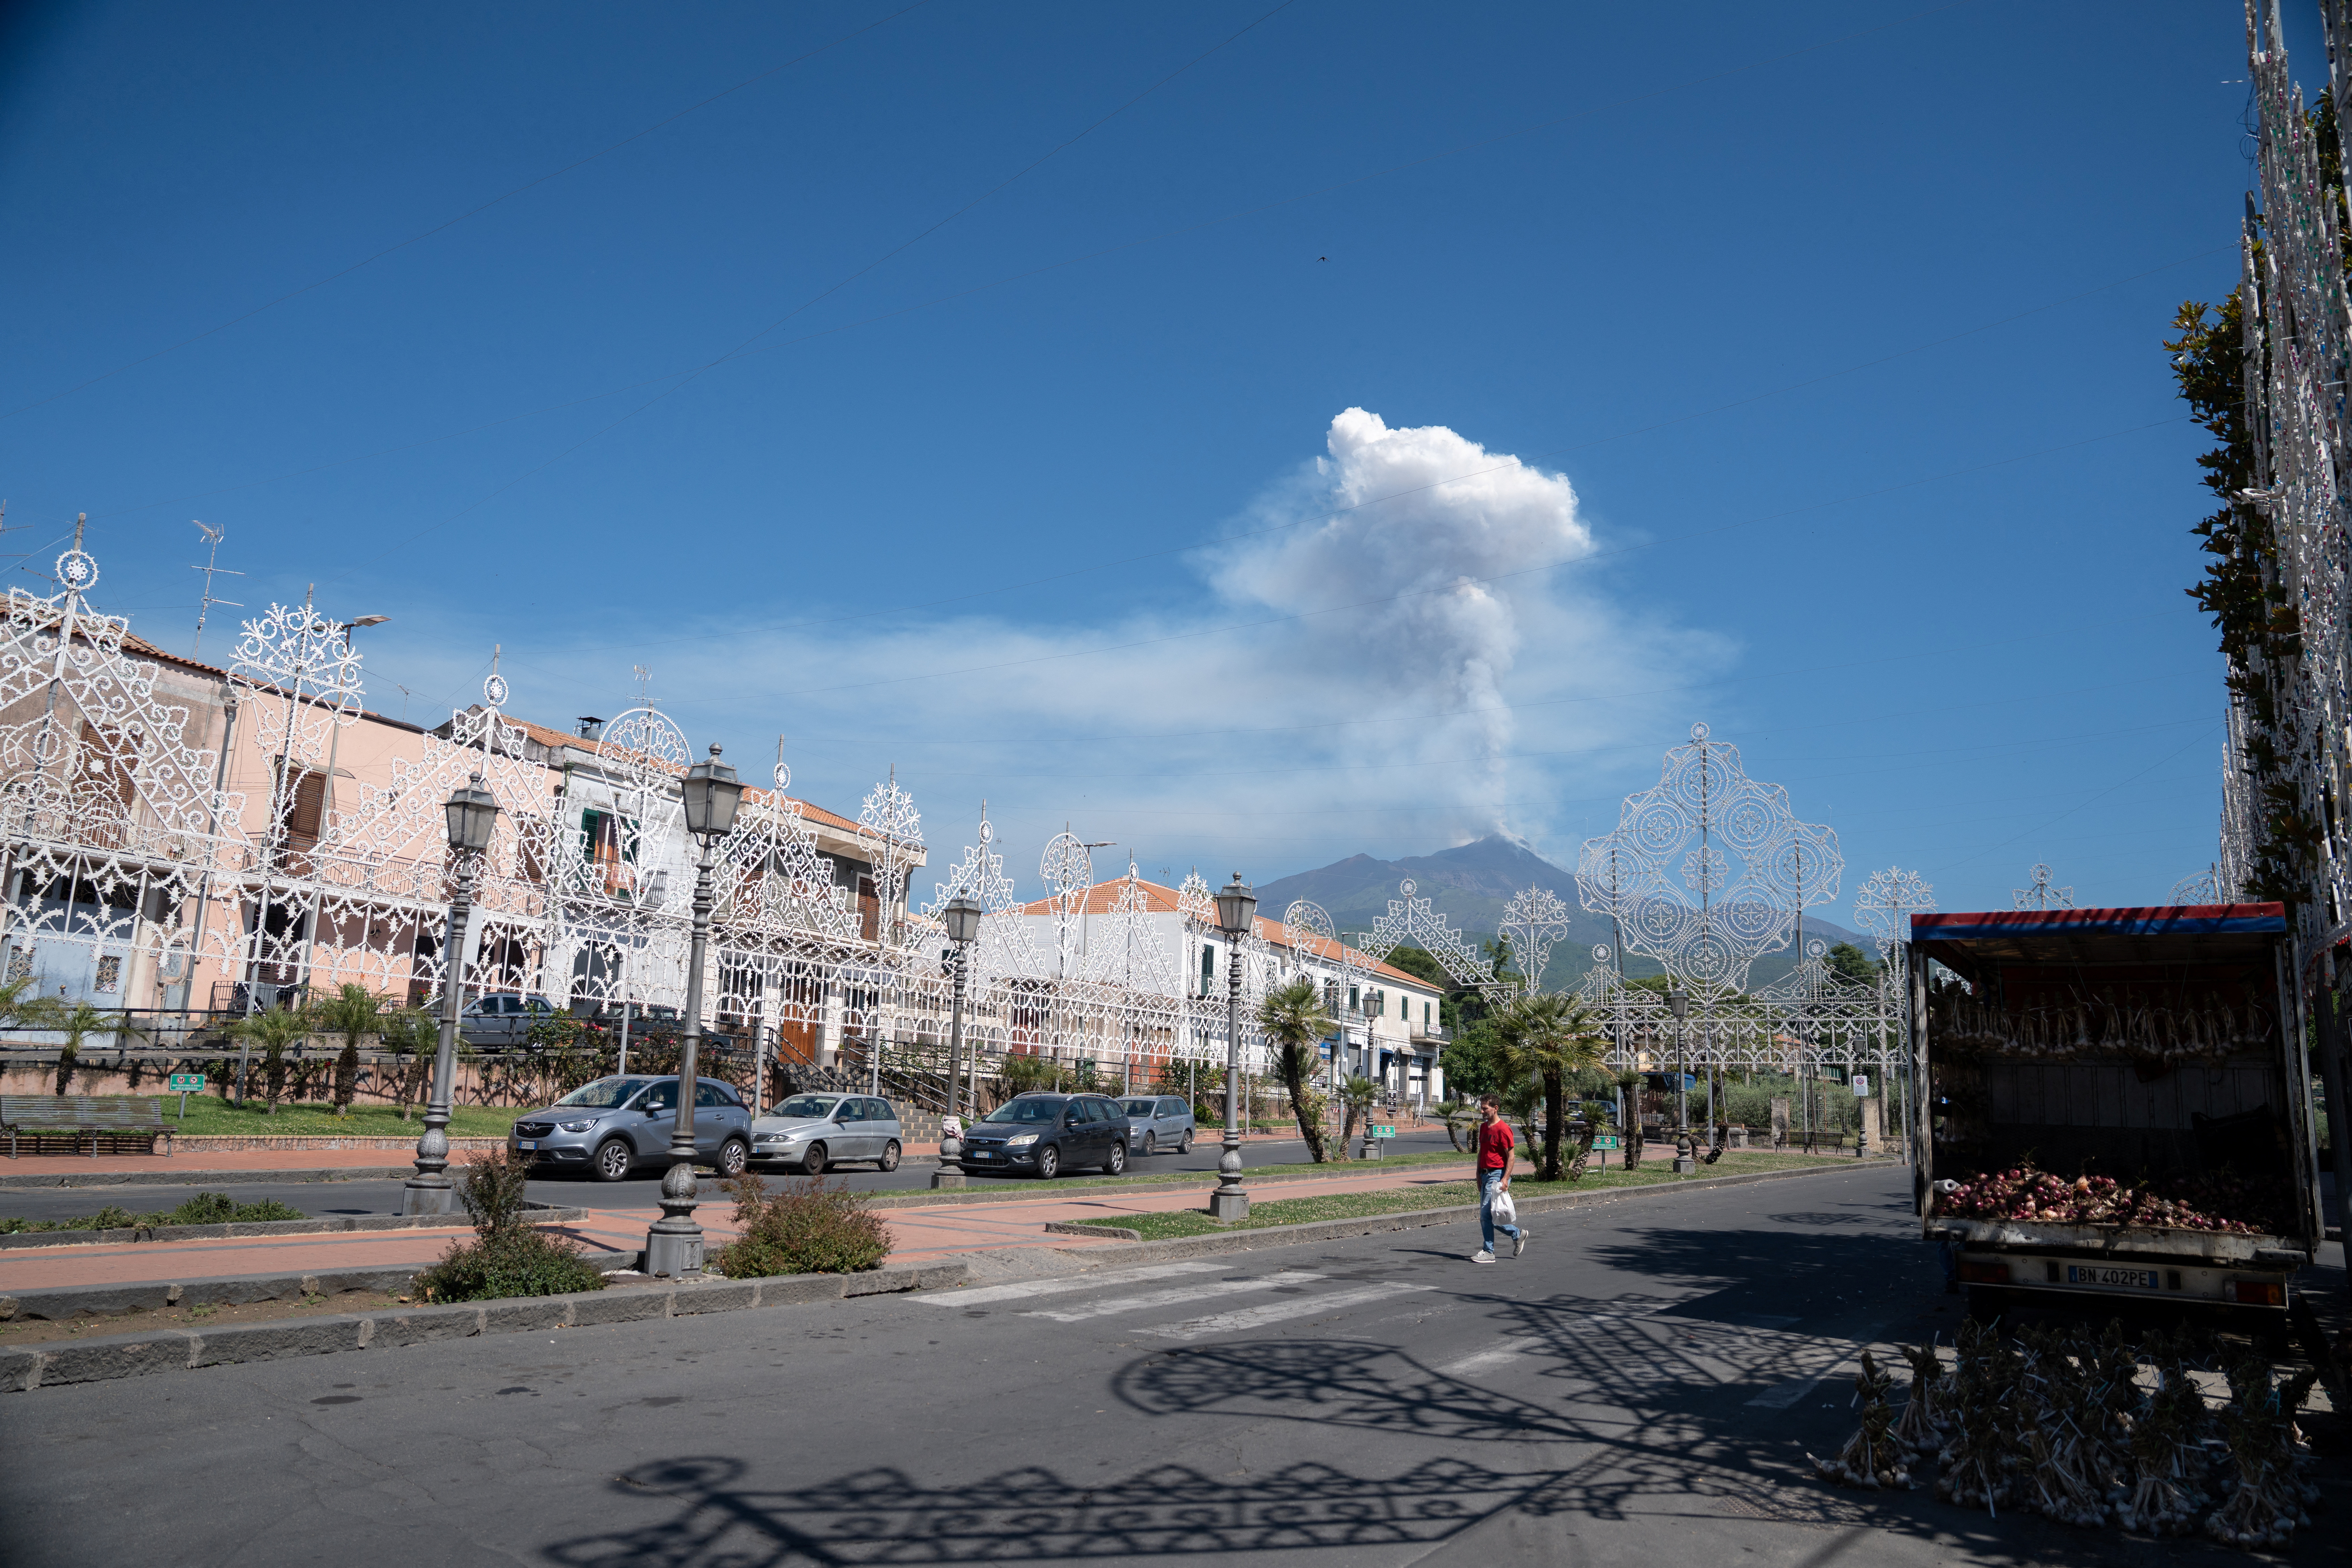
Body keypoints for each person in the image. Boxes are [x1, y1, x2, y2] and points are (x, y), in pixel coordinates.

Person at [1471, 1092, 1524, 1263]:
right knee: (1490, 1216)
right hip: (1485, 1175)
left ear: (1495, 1109)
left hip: (1497, 1175)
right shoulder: (1484, 1128)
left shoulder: (1504, 1129)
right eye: (1481, 1108)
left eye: (1485, 1108)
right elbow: (1482, 1152)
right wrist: (1478, 1173)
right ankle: (1517, 1234)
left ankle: (1489, 1251)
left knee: (1486, 1216)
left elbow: (1511, 1157)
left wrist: (1506, 1179)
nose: (1482, 1112)